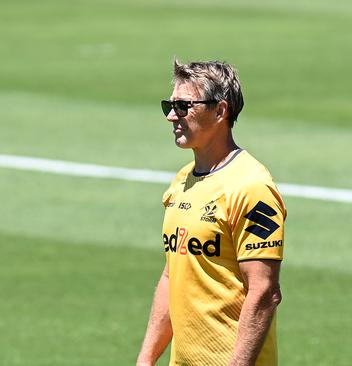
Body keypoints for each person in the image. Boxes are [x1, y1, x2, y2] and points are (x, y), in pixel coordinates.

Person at [136, 60, 286, 366]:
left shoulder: (251, 187)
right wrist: (146, 359)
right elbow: (171, 276)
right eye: (169, 104)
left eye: (182, 106)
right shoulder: (181, 181)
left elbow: (264, 291)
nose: (170, 115)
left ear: (220, 111)